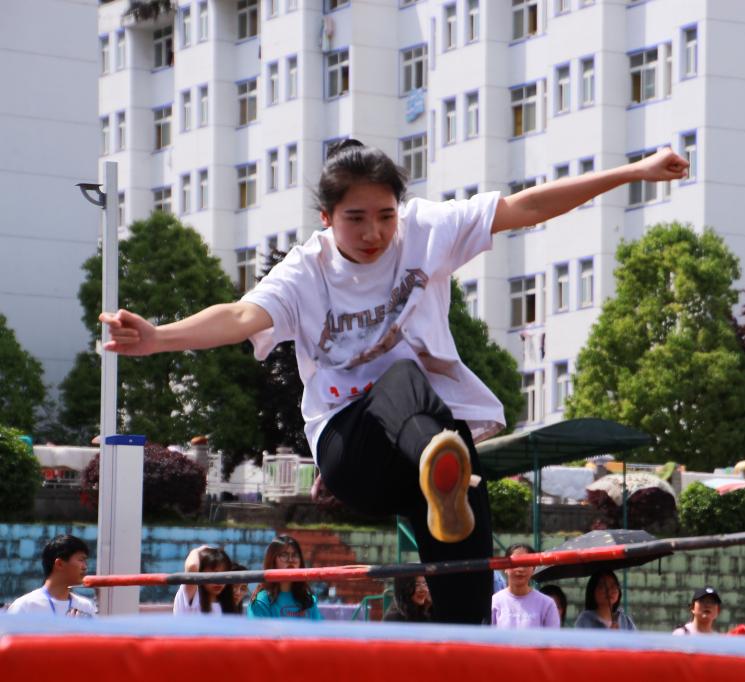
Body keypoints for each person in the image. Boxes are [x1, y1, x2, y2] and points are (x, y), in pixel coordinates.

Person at [98, 141, 688, 624]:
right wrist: (159, 337)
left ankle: (459, 594)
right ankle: (440, 463)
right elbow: (239, 315)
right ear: (327, 218)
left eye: (385, 216)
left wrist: (632, 171)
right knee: (403, 376)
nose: (374, 233)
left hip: (427, 447)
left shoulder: (427, 229)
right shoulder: (305, 271)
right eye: (355, 219)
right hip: (353, 450)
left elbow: (524, 207)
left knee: (465, 582)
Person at [6, 534, 96, 617]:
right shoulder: (25, 607)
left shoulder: (86, 607)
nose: (85, 567)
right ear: (59, 564)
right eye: (81, 560)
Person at [249, 535, 322, 620]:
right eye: (284, 555)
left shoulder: (308, 600)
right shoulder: (261, 601)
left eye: (295, 555)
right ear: (272, 560)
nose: (290, 560)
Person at [491, 544, 560, 629]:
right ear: (505, 567)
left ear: (533, 568)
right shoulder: (495, 602)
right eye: (515, 563)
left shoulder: (547, 604)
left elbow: (553, 636)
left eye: (526, 564)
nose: (520, 569)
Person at [173, 545, 235, 616]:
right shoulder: (193, 595)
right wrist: (197, 550)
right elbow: (192, 566)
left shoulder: (227, 602)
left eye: (223, 574)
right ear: (200, 572)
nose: (219, 582)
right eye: (214, 574)